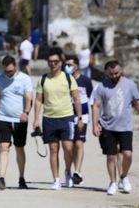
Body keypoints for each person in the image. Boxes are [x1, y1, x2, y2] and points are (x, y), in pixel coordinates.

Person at [91, 60, 139, 195]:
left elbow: (138, 103)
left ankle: (124, 176)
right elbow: (96, 106)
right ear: (106, 72)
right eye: (111, 74)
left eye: (117, 72)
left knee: (127, 154)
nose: (114, 76)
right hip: (107, 126)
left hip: (125, 126)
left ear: (121, 70)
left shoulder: (130, 84)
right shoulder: (101, 87)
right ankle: (112, 182)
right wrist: (95, 125)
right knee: (111, 156)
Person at [33, 49, 83, 190]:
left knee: (68, 148)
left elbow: (77, 99)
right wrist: (36, 119)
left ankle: (68, 171)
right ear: (48, 63)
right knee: (53, 149)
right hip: (49, 118)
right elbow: (38, 101)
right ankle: (56, 179)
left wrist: (79, 118)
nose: (53, 64)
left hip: (66, 117)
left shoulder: (68, 78)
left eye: (56, 61)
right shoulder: (43, 79)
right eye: (50, 62)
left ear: (60, 63)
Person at [0, 56, 33, 190]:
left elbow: (29, 98)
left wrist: (26, 113)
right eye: (6, 71)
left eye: (10, 71)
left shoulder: (25, 79)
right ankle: (2, 179)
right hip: (3, 119)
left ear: (15, 66)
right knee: (4, 148)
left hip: (20, 120)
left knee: (19, 148)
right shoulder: (0, 78)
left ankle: (21, 179)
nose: (8, 74)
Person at [64, 57, 93, 185]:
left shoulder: (85, 80)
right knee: (69, 147)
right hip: (67, 115)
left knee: (79, 144)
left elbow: (91, 99)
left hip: (83, 116)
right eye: (66, 65)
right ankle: (68, 172)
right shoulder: (64, 80)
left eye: (70, 64)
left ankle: (77, 172)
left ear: (76, 66)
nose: (67, 67)